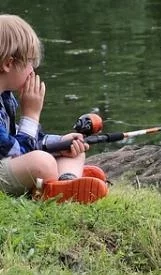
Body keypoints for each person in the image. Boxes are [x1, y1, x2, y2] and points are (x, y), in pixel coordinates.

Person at [0, 14, 108, 204]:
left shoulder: (5, 97)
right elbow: (14, 153)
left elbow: (18, 138)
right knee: (42, 162)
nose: (33, 71)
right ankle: (56, 187)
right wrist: (31, 115)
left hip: (10, 163)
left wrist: (59, 143)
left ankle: (67, 182)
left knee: (72, 146)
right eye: (30, 63)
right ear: (8, 64)